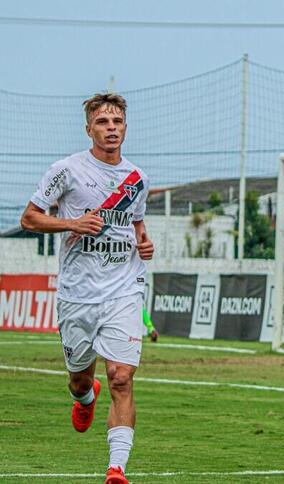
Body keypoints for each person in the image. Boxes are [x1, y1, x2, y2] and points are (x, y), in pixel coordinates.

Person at [20, 93, 152, 484]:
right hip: (77, 294)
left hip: (124, 290)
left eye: (117, 122)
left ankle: (116, 469)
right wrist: (72, 224)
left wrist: (145, 243)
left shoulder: (137, 178)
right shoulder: (67, 170)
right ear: (89, 129)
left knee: (122, 377)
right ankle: (84, 396)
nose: (110, 128)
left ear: (125, 127)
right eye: (102, 122)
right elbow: (29, 218)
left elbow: (138, 226)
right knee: (80, 379)